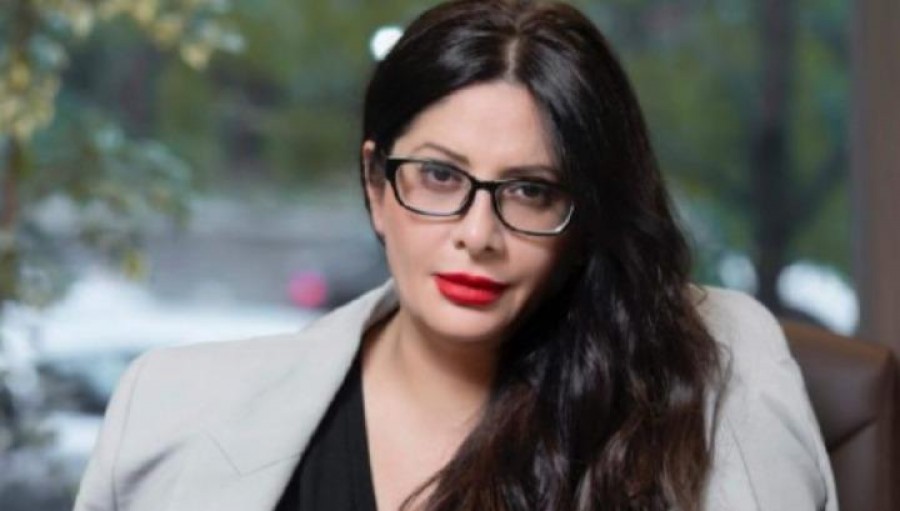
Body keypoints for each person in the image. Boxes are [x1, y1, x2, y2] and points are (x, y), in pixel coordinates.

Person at [73, 1, 838, 510]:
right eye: (440, 176)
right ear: (377, 185)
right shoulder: (170, 409)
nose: (478, 232)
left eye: (531, 190)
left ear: (584, 217)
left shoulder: (716, 370)